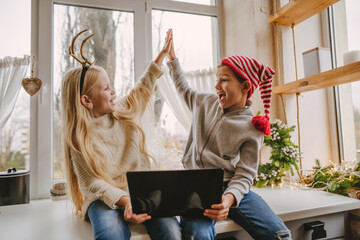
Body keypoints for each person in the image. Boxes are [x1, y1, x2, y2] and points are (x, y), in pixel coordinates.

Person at [165, 29, 292, 240]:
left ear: (245, 86)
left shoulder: (252, 128)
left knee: (278, 234)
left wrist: (229, 199)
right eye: (217, 80)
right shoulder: (205, 103)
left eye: (224, 80)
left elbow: (245, 173)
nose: (216, 86)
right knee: (197, 234)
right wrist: (173, 60)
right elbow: (183, 89)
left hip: (230, 185)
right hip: (196, 186)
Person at [61, 29, 182, 240]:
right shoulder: (78, 137)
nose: (114, 91)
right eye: (107, 88)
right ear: (87, 101)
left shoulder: (121, 109)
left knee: (171, 232)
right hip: (103, 198)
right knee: (111, 235)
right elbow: (92, 184)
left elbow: (143, 88)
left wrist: (161, 55)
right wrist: (125, 201)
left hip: (142, 189)